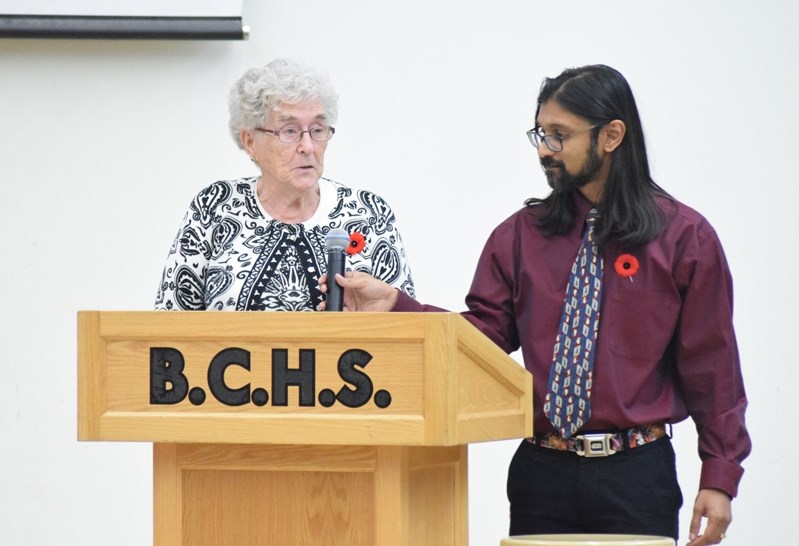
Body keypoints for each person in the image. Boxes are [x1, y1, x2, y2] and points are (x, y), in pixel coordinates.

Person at [319, 65, 750, 545]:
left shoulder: (684, 238)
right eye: (541, 134)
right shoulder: (520, 236)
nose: (545, 149)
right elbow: (483, 338)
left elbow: (712, 366)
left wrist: (719, 476)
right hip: (541, 473)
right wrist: (399, 305)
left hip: (637, 475)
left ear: (611, 136)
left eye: (560, 135)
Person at [154, 58, 415, 311]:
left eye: (318, 129)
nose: (308, 147)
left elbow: (410, 332)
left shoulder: (369, 213)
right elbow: (168, 326)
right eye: (289, 131)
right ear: (250, 141)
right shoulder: (215, 207)